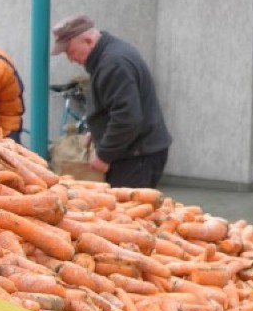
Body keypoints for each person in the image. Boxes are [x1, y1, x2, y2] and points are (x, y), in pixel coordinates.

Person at [51, 14, 172, 188]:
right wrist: (97, 130)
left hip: (136, 156)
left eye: (70, 51)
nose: (70, 59)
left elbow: (127, 117)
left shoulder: (113, 64)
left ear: (88, 41)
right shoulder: (108, 56)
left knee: (126, 211)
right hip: (137, 151)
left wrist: (104, 156)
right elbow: (114, 106)